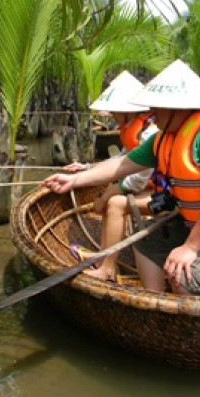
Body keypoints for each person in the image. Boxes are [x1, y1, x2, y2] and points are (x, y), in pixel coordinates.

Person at [43, 59, 200, 294]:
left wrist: (190, 248)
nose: (151, 112)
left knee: (184, 274)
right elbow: (123, 164)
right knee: (144, 241)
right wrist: (75, 179)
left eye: (157, 106)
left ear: (180, 107)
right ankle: (156, 302)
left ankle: (184, 318)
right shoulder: (165, 137)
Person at [65, 70, 158, 281]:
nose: (113, 116)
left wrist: (108, 195)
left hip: (162, 191)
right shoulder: (136, 128)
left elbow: (139, 177)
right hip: (151, 187)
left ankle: (108, 268)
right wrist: (88, 167)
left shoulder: (150, 132)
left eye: (116, 111)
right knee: (111, 196)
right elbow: (123, 160)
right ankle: (103, 256)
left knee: (115, 202)